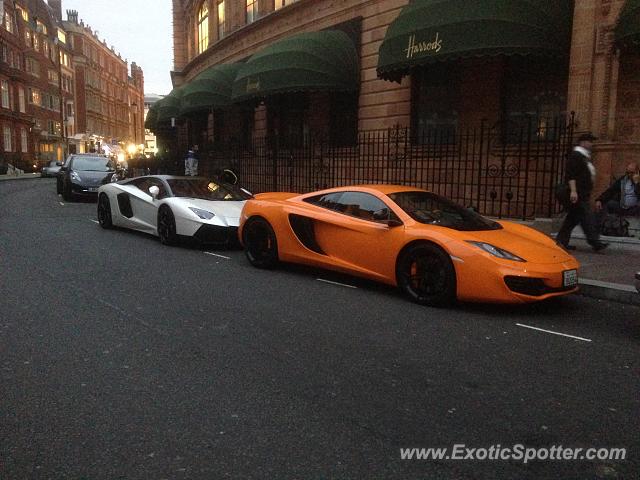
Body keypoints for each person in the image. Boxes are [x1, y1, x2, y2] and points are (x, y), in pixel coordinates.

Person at [556, 132, 608, 252]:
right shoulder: (576, 156)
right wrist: (573, 191)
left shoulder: (583, 156)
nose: (591, 144)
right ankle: (595, 242)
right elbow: (571, 175)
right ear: (583, 142)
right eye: (590, 141)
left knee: (573, 217)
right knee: (586, 216)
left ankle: (561, 241)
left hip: (581, 193)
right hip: (576, 193)